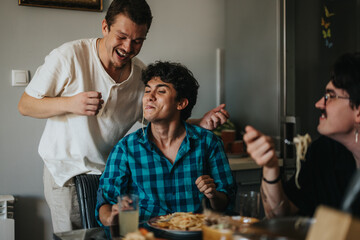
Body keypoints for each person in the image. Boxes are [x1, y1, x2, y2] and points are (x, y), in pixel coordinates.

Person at [17, 0, 229, 233]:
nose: (128, 47)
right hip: (66, 172)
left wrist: (200, 123)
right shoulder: (70, 56)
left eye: (138, 40)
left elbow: (161, 120)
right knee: (77, 236)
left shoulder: (140, 76)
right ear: (105, 27)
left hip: (109, 167)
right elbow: (25, 105)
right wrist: (71, 103)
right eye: (122, 36)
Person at [96, 61, 236, 230]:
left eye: (161, 91)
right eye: (147, 90)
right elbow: (105, 201)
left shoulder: (209, 143)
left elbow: (226, 202)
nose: (149, 96)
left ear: (181, 103)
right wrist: (111, 217)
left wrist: (213, 195)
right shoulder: (126, 148)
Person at [243, 52, 360, 218]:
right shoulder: (323, 151)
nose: (319, 103)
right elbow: (279, 215)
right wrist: (270, 167)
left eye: (330, 96)